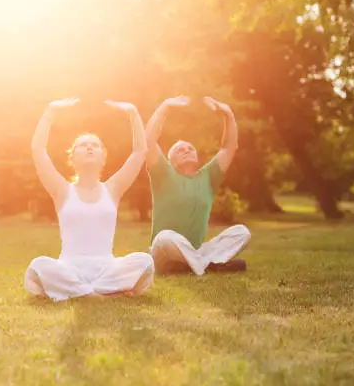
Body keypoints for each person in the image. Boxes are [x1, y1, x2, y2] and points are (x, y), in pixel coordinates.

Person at [24, 98, 154, 301]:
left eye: (95, 145)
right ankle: (102, 294)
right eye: (83, 145)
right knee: (39, 265)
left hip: (107, 268)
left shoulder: (113, 188)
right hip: (69, 267)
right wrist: (49, 114)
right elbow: (38, 151)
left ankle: (82, 293)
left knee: (145, 261)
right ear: (72, 158)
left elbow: (139, 152)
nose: (90, 147)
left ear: (103, 157)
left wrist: (134, 114)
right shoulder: (62, 190)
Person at [146, 96, 251, 276]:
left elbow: (229, 147)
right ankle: (208, 264)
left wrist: (228, 114)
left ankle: (193, 264)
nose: (186, 150)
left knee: (242, 232)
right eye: (180, 150)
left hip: (196, 249)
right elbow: (148, 141)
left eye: (190, 148)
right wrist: (164, 108)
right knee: (164, 237)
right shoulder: (163, 174)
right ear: (171, 161)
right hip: (164, 251)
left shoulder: (208, 177)